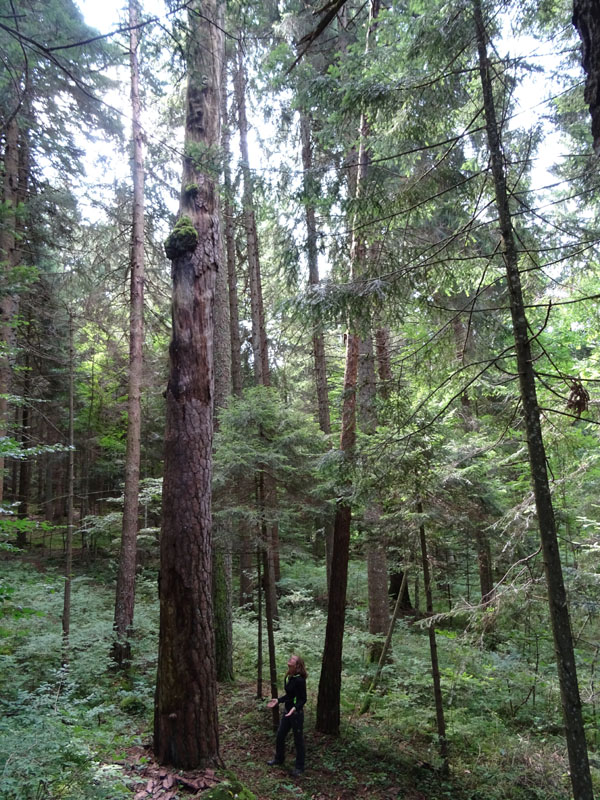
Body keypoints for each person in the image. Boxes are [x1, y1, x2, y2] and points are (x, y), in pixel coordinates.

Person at [267, 654, 307, 777]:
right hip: (287, 712)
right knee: (280, 735)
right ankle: (279, 759)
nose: (289, 659)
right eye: (290, 658)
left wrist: (295, 708)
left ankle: (299, 767)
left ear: (297, 665)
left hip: (296, 714)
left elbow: (303, 699)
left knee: (298, 740)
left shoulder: (300, 680)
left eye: (292, 659)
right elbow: (290, 696)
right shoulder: (290, 676)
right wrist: (278, 700)